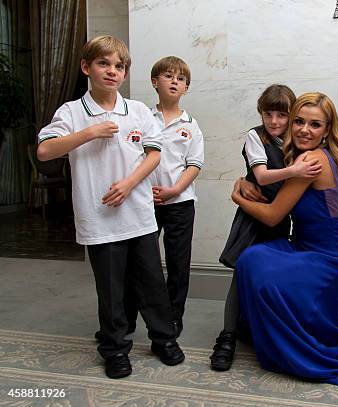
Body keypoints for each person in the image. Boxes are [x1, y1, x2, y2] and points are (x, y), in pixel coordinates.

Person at [36, 36, 184, 379]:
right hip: (99, 220)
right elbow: (45, 151)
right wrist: (88, 133)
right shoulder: (71, 112)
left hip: (139, 215)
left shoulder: (138, 111)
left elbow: (154, 154)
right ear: (87, 67)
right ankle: (115, 348)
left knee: (152, 284)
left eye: (119, 66)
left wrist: (130, 184)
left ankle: (164, 339)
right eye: (104, 64)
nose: (112, 71)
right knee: (112, 290)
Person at [230, 92, 338, 385]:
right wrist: (248, 180)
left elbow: (273, 215)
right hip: (308, 247)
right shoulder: (303, 159)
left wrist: (237, 196)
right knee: (256, 257)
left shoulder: (312, 160)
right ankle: (272, 332)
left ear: (327, 130)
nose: (304, 129)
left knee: (253, 260)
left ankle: (285, 339)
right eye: (299, 121)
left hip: (330, 257)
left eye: (315, 125)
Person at [213, 84, 321, 371]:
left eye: (282, 115)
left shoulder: (297, 139)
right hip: (253, 218)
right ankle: (227, 337)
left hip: (280, 219)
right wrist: (291, 172)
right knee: (241, 275)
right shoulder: (255, 135)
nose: (274, 121)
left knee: (268, 277)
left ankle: (256, 328)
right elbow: (260, 176)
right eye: (268, 114)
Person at [147, 56, 204, 336]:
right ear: (155, 82)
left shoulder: (191, 125)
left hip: (180, 203)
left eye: (181, 79)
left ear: (186, 89)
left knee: (178, 263)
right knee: (142, 262)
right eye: (169, 76)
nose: (175, 82)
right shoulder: (143, 118)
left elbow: (194, 164)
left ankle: (173, 316)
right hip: (146, 202)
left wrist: (175, 190)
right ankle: (135, 314)